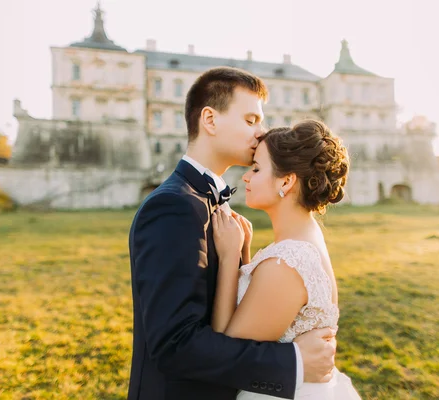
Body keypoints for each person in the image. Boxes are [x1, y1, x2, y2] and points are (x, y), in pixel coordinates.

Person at [128, 67, 337, 400]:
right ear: (210, 120)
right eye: (251, 120)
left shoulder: (213, 203)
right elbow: (173, 346)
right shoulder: (172, 207)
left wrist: (239, 258)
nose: (261, 131)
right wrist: (294, 362)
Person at [211, 120, 362, 399]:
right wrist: (245, 254)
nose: (246, 177)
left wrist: (228, 258)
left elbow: (225, 354)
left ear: (286, 181)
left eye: (256, 168)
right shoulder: (306, 236)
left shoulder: (287, 263)